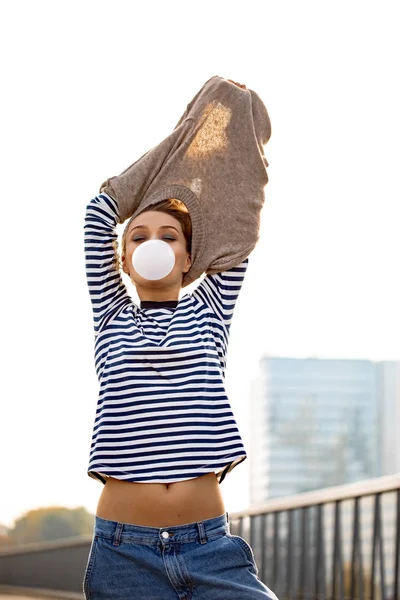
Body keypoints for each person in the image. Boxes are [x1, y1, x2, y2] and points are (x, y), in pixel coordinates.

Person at [83, 80, 278, 600]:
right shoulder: (110, 314)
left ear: (190, 258)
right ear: (121, 259)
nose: (154, 244)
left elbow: (239, 222)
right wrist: (178, 143)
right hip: (123, 550)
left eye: (170, 237)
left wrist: (229, 124)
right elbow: (99, 211)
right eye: (139, 237)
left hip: (208, 547)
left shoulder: (211, 308)